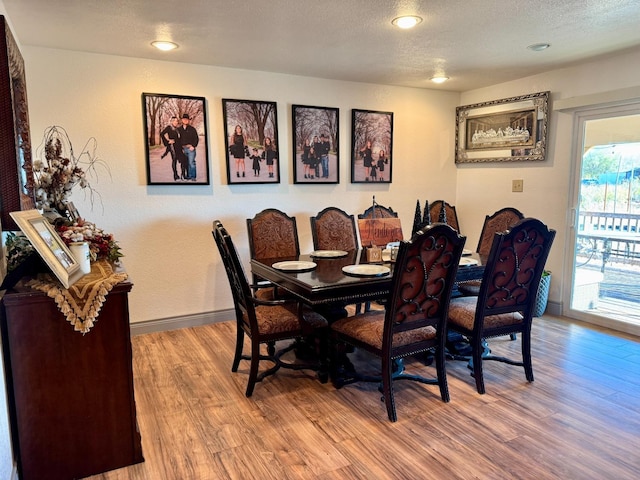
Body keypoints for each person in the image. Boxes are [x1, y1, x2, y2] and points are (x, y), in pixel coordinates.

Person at [178, 113, 199, 181]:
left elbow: (196, 138)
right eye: (184, 119)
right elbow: (177, 140)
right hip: (182, 149)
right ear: (182, 120)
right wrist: (180, 149)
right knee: (185, 163)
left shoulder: (192, 129)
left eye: (187, 119)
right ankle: (188, 176)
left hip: (190, 148)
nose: (185, 120)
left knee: (191, 162)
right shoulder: (179, 129)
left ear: (188, 120)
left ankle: (193, 177)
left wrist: (193, 146)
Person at [160, 116, 181, 181]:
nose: (176, 122)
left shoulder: (177, 129)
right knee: (174, 160)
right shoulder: (169, 127)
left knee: (178, 159)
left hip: (177, 146)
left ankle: (180, 174)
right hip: (172, 146)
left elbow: (178, 138)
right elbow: (162, 134)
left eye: (177, 121)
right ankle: (175, 175)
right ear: (172, 121)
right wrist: (168, 141)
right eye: (174, 121)